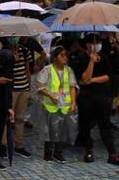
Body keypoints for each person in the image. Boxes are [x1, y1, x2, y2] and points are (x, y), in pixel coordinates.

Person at [70, 34, 119, 165]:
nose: (96, 45)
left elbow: (108, 76)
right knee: (85, 125)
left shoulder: (103, 57)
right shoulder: (80, 58)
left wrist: (92, 80)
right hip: (86, 98)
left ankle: (112, 153)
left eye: (97, 42)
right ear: (87, 44)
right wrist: (91, 62)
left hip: (102, 97)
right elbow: (83, 79)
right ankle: (89, 150)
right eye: (93, 42)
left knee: (105, 125)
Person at [37, 45, 77, 163]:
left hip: (65, 105)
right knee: (51, 130)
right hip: (50, 106)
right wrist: (50, 95)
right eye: (62, 55)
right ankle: (48, 153)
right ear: (55, 57)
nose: (65, 58)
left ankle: (58, 153)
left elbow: (72, 87)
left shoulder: (69, 70)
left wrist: (73, 102)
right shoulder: (47, 70)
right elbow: (40, 86)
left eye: (66, 55)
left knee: (63, 130)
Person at [0, 36, 34, 158]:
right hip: (11, 89)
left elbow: (27, 70)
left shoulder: (25, 51)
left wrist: (29, 88)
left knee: (20, 118)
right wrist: (12, 59)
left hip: (23, 88)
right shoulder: (4, 52)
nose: (14, 39)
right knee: (6, 118)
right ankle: (3, 145)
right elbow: (2, 70)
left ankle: (19, 145)